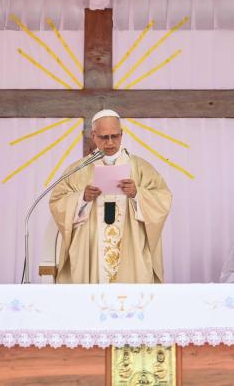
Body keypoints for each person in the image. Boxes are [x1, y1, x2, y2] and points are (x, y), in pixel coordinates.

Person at [49, 109, 172, 284]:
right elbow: (57, 201)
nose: (110, 142)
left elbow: (163, 199)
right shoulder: (78, 170)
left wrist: (138, 194)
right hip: (91, 249)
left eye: (115, 136)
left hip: (131, 249)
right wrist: (81, 198)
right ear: (93, 135)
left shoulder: (141, 168)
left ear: (122, 134)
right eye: (104, 137)